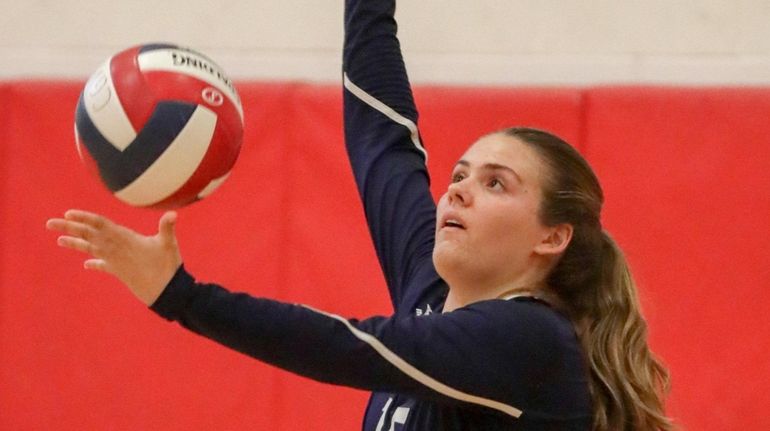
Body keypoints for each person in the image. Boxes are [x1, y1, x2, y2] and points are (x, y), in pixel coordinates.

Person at [47, 0, 673, 429]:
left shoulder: (528, 342)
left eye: (495, 184)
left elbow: (348, 346)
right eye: (458, 175)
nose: (456, 192)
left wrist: (181, 295)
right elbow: (381, 137)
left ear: (552, 237)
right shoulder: (435, 295)